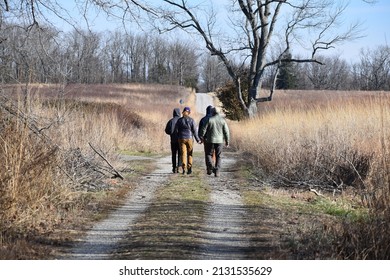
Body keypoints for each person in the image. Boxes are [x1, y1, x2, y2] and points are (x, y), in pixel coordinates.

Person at [199, 107, 230, 177]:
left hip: (210, 140)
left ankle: (211, 166)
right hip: (220, 141)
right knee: (218, 156)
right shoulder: (223, 120)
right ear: (218, 112)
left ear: (212, 112)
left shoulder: (209, 120)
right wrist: (227, 141)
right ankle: (217, 171)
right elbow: (226, 132)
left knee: (208, 154)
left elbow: (203, 129)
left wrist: (202, 137)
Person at [174, 106, 201, 175]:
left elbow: (176, 130)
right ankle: (189, 168)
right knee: (190, 154)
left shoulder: (179, 120)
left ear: (183, 112)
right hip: (190, 139)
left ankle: (184, 169)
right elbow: (195, 131)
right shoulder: (191, 120)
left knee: (183, 154)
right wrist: (198, 140)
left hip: (181, 139)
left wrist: (178, 137)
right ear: (189, 113)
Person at [165, 108, 182, 173]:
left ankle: (174, 167)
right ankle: (179, 166)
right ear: (179, 113)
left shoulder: (171, 121)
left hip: (173, 140)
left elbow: (167, 131)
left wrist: (171, 134)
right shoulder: (181, 120)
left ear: (174, 113)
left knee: (174, 154)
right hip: (180, 140)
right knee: (180, 153)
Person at [198, 105, 215, 171]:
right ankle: (213, 163)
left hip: (206, 139)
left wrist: (201, 138)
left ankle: (208, 167)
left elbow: (200, 130)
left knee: (207, 153)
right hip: (214, 138)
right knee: (213, 152)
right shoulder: (214, 119)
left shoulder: (203, 119)